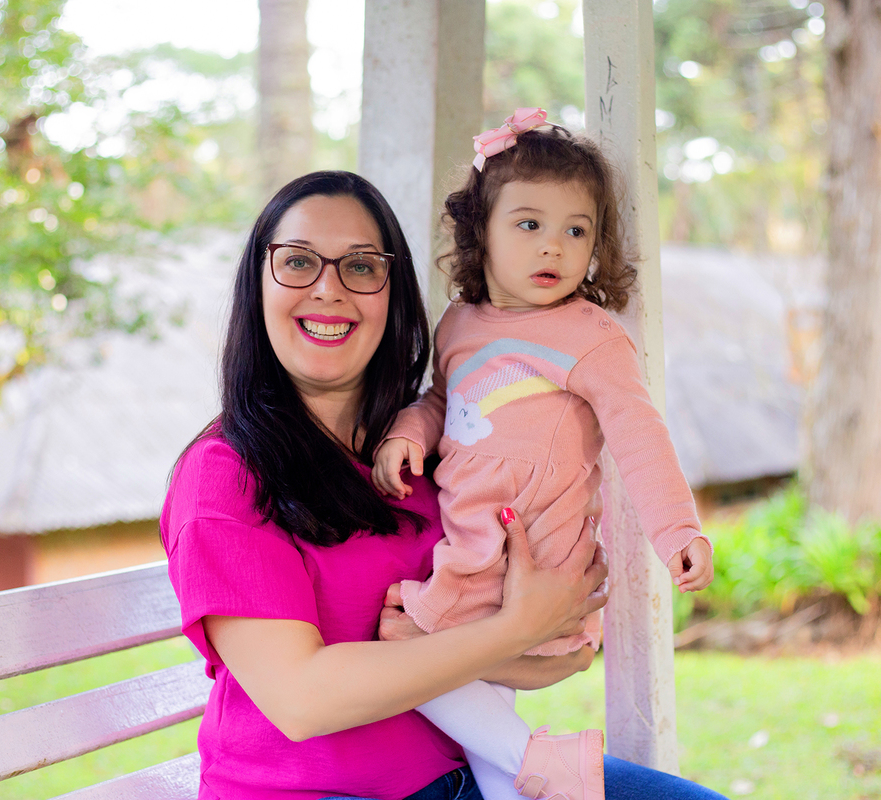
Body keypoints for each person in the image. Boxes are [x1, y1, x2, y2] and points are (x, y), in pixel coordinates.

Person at [162, 169, 728, 800]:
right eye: (296, 262)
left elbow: (534, 650)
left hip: (470, 775)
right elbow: (303, 699)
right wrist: (517, 630)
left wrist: (537, 630)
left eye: (360, 267)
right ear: (256, 286)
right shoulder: (226, 475)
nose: (329, 289)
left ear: (393, 290)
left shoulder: (427, 448)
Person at [371, 109, 715, 800]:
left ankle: (535, 759)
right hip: (471, 538)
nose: (553, 247)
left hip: (536, 542)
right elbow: (447, 400)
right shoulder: (459, 324)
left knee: (405, 651)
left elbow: (638, 433)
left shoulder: (590, 336)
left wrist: (678, 529)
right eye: (529, 224)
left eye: (576, 230)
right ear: (481, 234)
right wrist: (411, 429)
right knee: (461, 689)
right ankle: (537, 768)